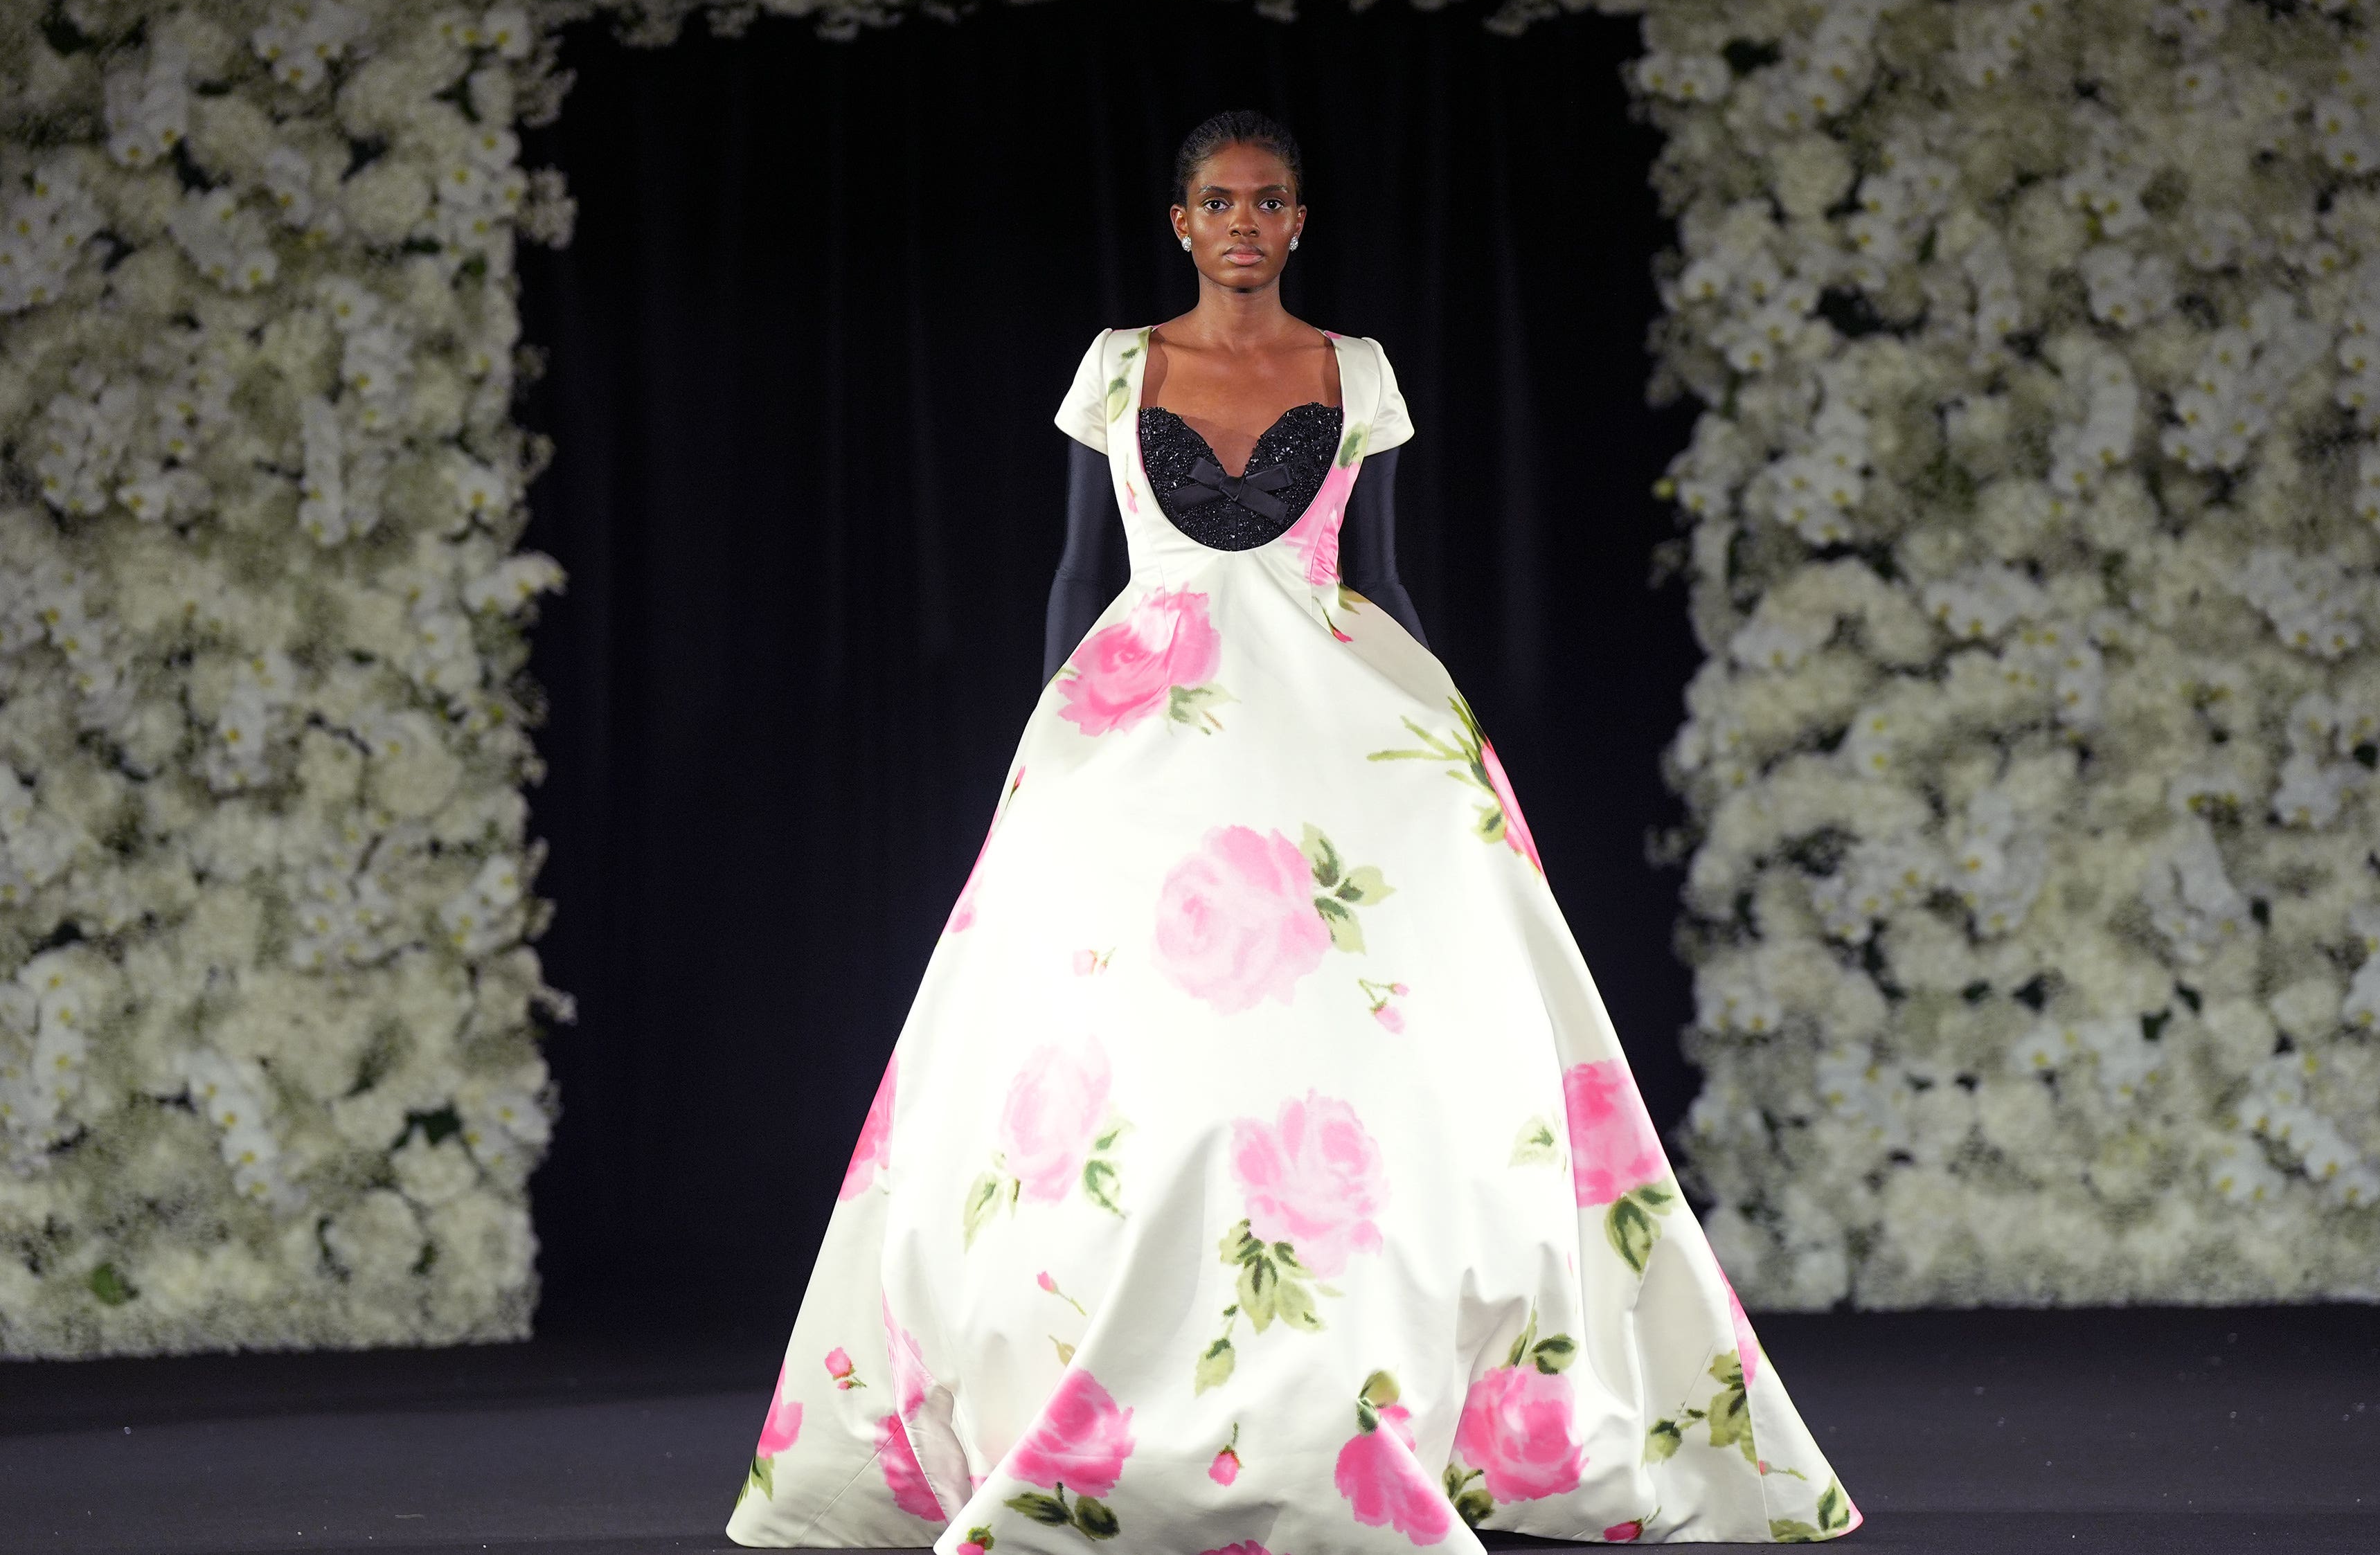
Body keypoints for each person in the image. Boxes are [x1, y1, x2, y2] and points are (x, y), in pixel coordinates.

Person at [725, 111, 1856, 1552]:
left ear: (1297, 220)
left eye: (1267, 202)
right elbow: (1082, 573)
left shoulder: (1356, 372)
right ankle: (1086, 1404)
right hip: (1140, 725)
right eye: (1217, 201)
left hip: (1336, 724)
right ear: (1180, 221)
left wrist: (1443, 761)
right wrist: (1064, 760)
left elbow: (1376, 574)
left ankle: (1377, 1396)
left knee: (1360, 1053)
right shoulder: (1119, 368)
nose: (1243, 222)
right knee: (1122, 1067)